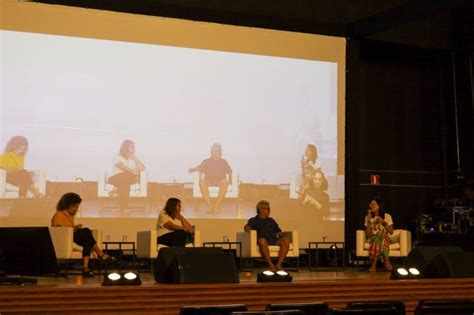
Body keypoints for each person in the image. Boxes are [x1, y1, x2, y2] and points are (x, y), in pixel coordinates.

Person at [51, 192, 114, 276]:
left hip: (72, 237)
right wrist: (74, 229)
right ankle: (100, 253)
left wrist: (75, 228)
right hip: (65, 239)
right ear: (67, 205)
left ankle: (85, 268)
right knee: (86, 231)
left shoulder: (70, 216)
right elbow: (58, 230)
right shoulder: (59, 214)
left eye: (77, 207)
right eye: (74, 206)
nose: (76, 209)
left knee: (87, 242)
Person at [244, 200, 290, 271]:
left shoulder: (271, 220)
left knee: (286, 240)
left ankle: (278, 264)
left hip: (273, 239)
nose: (269, 210)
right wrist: (248, 229)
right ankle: (270, 264)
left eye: (269, 209)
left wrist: (282, 234)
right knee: (262, 240)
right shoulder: (253, 220)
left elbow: (278, 231)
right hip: (262, 240)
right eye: (267, 209)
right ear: (261, 209)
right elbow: (247, 227)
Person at [188, 143, 232, 213]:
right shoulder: (206, 161)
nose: (220, 152)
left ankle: (216, 206)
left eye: (220, 150)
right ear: (212, 152)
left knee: (224, 182)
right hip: (209, 180)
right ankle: (210, 206)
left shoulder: (224, 161)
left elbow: (229, 172)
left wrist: (229, 181)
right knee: (202, 182)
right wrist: (193, 169)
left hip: (220, 181)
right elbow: (200, 168)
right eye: (217, 151)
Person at [107, 140, 145, 212]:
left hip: (129, 179)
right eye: (132, 147)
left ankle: (116, 188)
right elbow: (120, 166)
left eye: (134, 147)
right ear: (126, 147)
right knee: (125, 180)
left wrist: (135, 160)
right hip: (115, 178)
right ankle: (124, 208)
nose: (134, 149)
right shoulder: (118, 156)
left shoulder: (135, 157)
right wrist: (132, 170)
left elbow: (142, 168)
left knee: (125, 181)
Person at [364, 198, 394, 272]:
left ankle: (374, 264)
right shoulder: (368, 217)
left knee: (382, 238)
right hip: (373, 238)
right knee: (378, 239)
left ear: (379, 206)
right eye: (370, 204)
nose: (371, 206)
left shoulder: (387, 216)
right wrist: (368, 221)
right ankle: (386, 261)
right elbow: (368, 235)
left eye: (373, 204)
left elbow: (391, 231)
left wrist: (383, 222)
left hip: (385, 238)